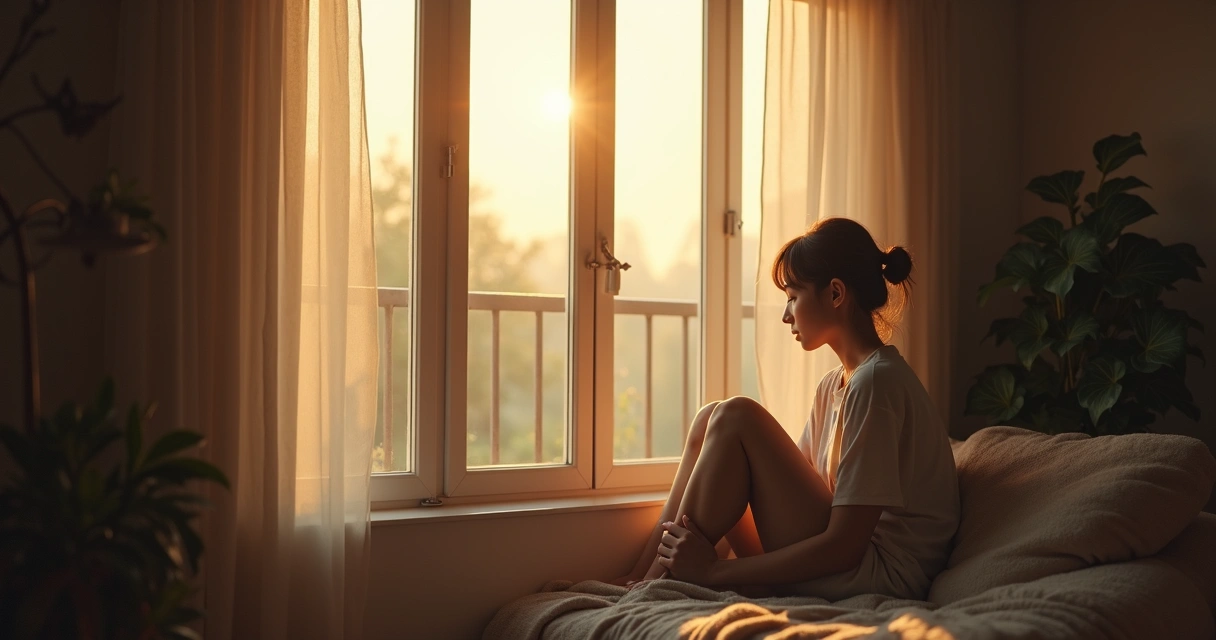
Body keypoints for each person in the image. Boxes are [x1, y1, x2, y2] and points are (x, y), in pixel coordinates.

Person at [611, 217, 959, 601]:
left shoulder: (877, 382)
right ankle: (640, 576)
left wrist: (715, 570)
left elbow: (845, 547)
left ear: (836, 294)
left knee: (737, 415)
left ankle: (654, 585)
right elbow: (789, 491)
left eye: (793, 296)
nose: (786, 314)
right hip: (842, 560)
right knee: (711, 416)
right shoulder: (836, 384)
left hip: (879, 574)